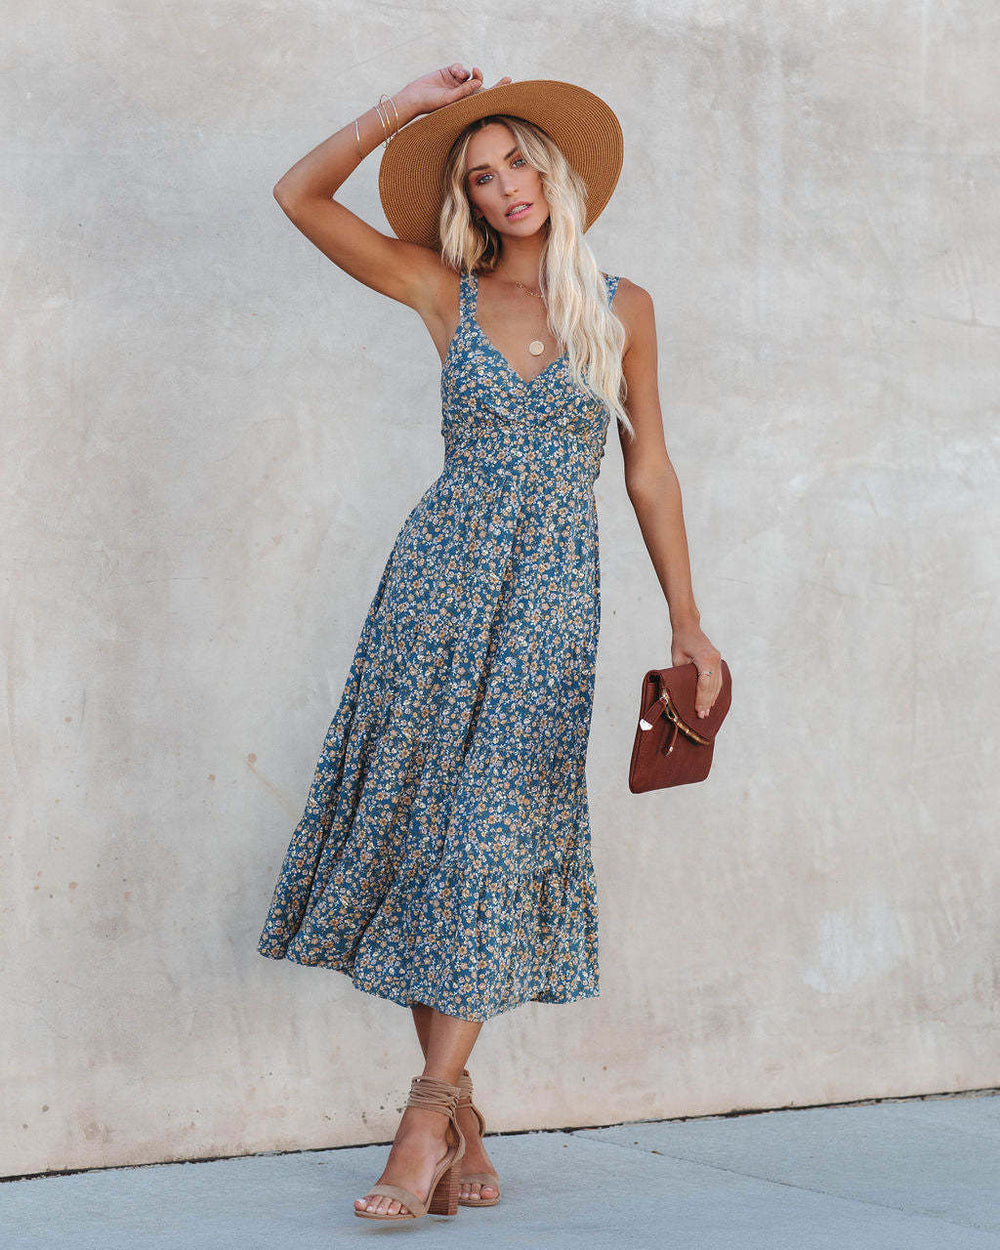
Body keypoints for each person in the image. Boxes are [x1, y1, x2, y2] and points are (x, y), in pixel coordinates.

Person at [256, 64, 724, 1222]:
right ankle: (456, 1109)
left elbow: (648, 468)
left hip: (552, 602)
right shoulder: (442, 290)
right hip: (434, 591)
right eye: (479, 174)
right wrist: (401, 110)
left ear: (554, 173)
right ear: (464, 198)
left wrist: (685, 615)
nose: (505, 184)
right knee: (431, 842)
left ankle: (424, 1117)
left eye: (517, 161)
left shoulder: (623, 306)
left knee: (487, 836)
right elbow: (297, 195)